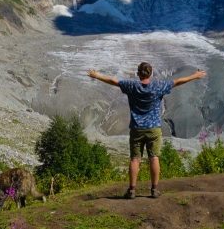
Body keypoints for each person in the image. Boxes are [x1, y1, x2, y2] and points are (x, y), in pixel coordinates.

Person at [87, 62, 207, 198]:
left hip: (136, 128)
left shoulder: (132, 86)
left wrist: (96, 75)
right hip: (154, 128)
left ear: (138, 74)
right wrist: (195, 76)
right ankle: (154, 189)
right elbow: (177, 81)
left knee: (135, 159)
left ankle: (132, 190)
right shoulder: (158, 86)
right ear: (150, 73)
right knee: (154, 158)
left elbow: (113, 81)